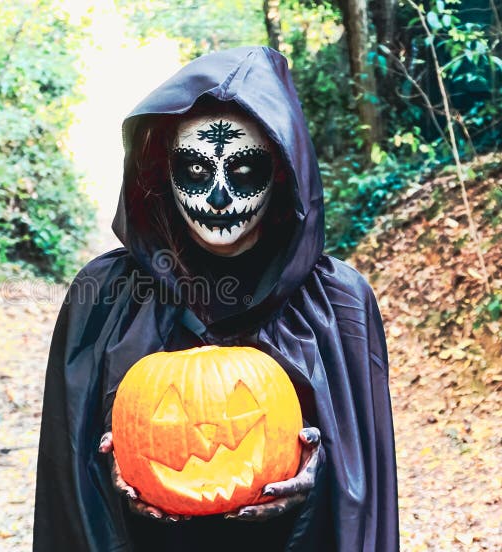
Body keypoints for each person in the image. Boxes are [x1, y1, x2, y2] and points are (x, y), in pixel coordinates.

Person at [34, 46, 398, 552]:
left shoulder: (338, 302)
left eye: (244, 171)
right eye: (198, 171)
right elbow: (70, 484)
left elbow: (364, 488)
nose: (220, 199)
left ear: (281, 170)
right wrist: (116, 468)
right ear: (163, 168)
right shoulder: (106, 296)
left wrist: (320, 474)